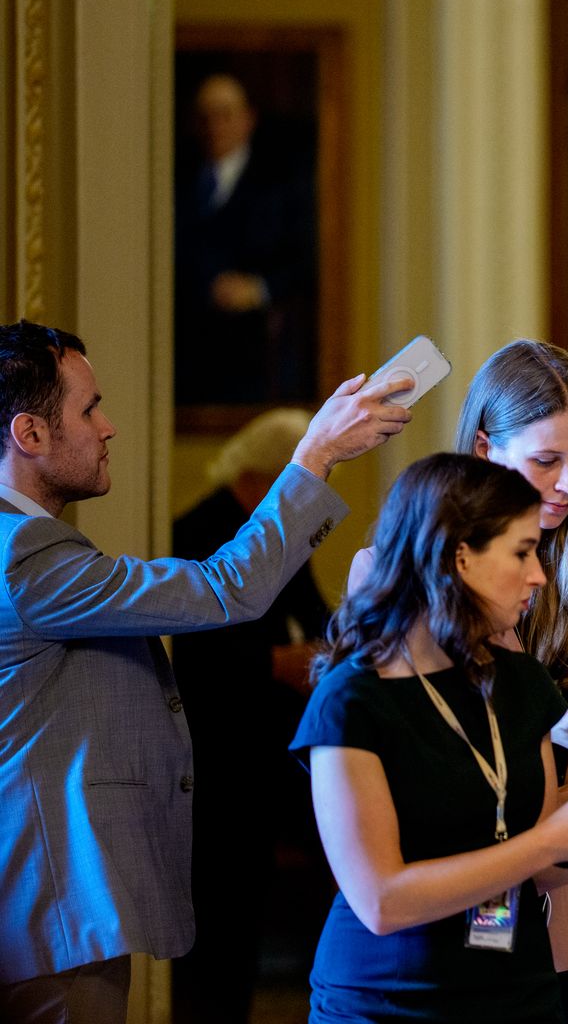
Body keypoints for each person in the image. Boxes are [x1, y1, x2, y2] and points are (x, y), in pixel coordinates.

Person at [0, 319, 409, 1023]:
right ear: (30, 434)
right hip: (51, 912)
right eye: (89, 408)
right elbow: (227, 589)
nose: (109, 427)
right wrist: (313, 457)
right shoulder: (25, 557)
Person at [349, 340, 568, 1022]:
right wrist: (539, 827)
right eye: (547, 461)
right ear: (486, 449)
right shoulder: (391, 572)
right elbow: (386, 767)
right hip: (443, 923)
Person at [168, 408, 334, 1024]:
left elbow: (312, 611)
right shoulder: (198, 527)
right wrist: (271, 662)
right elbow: (190, 645)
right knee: (222, 917)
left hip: (275, 747)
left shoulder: (279, 533)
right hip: (217, 751)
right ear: (266, 480)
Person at [174, 73, 317, 405]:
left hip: (255, 348)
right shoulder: (178, 177)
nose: (215, 126)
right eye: (206, 117)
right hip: (190, 342)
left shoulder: (280, 182)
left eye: (225, 115)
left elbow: (304, 259)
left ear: (247, 119)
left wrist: (259, 288)